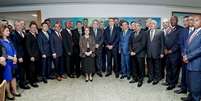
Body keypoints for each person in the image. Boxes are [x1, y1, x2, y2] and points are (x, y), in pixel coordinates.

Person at [182, 15, 201, 101]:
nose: (194, 22)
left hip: (196, 63)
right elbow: (186, 44)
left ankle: (196, 98)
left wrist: (188, 57)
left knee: (195, 84)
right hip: (188, 62)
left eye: (196, 20)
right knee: (189, 82)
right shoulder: (193, 31)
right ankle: (190, 97)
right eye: (193, 20)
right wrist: (184, 54)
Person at [0, 24, 21, 100]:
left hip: (13, 62)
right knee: (7, 78)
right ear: (2, 32)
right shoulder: (1, 42)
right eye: (7, 31)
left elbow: (14, 49)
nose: (9, 32)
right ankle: (8, 93)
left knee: (13, 77)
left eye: (8, 31)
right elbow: (4, 54)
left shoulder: (9, 40)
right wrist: (12, 58)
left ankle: (14, 91)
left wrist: (15, 56)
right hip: (7, 63)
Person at [10, 20, 31, 89]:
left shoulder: (23, 33)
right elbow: (15, 47)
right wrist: (19, 56)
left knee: (24, 69)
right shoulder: (14, 35)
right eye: (17, 25)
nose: (19, 26)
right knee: (21, 70)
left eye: (20, 25)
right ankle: (22, 84)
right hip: (20, 56)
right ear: (15, 26)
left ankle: (24, 81)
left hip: (25, 55)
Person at [164, 16, 183, 90]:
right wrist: (165, 48)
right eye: (171, 20)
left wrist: (171, 50)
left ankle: (173, 83)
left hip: (175, 54)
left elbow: (179, 42)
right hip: (167, 53)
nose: (172, 21)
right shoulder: (168, 29)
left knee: (174, 69)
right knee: (168, 68)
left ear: (177, 21)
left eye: (174, 20)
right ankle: (168, 81)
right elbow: (165, 40)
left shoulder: (180, 29)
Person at [146, 20, 164, 85]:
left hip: (157, 53)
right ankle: (150, 78)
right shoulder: (147, 32)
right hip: (149, 53)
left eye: (153, 24)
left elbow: (162, 43)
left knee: (157, 67)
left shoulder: (160, 32)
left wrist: (162, 53)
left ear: (155, 25)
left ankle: (156, 78)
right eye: (150, 24)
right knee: (150, 66)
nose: (151, 25)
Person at [129, 22, 147, 87]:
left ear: (140, 26)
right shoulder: (132, 33)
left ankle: (140, 80)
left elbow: (143, 45)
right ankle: (135, 78)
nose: (136, 27)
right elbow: (129, 43)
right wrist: (131, 51)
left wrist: (135, 52)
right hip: (132, 53)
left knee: (140, 68)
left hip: (140, 54)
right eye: (135, 26)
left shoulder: (144, 33)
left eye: (137, 26)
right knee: (134, 67)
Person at [25, 22, 41, 87]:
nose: (34, 29)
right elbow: (28, 47)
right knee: (32, 70)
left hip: (37, 55)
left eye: (35, 27)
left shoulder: (36, 35)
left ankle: (35, 79)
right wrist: (31, 56)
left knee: (36, 69)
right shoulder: (28, 35)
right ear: (30, 28)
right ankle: (32, 82)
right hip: (32, 56)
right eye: (32, 27)